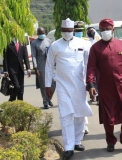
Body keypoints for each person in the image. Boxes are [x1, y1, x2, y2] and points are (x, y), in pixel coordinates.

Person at [86, 18, 122, 152]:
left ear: (113, 30)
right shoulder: (95, 48)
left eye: (108, 29)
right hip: (106, 88)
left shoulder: (121, 45)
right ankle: (110, 141)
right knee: (108, 117)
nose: (105, 32)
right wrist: (91, 84)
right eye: (103, 30)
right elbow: (91, 68)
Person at [45, 18, 93, 159]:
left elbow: (89, 65)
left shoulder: (83, 44)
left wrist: (90, 84)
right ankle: (68, 146)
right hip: (62, 85)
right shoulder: (55, 46)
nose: (67, 33)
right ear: (61, 30)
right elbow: (48, 65)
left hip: (80, 85)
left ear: (74, 30)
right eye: (65, 30)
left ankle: (77, 141)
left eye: (69, 30)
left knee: (80, 114)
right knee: (65, 115)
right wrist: (48, 85)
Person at [73, 21, 92, 135]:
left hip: (84, 77)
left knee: (82, 101)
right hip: (72, 77)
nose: (79, 33)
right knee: (73, 102)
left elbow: (90, 62)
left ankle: (84, 125)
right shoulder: (70, 43)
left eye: (81, 31)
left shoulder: (86, 43)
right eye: (77, 31)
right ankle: (76, 124)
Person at [31, 27, 55, 109]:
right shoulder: (34, 43)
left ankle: (49, 98)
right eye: (40, 33)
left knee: (53, 83)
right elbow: (33, 56)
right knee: (43, 85)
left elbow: (52, 52)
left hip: (50, 65)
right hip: (41, 67)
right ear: (38, 34)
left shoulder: (48, 41)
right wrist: (35, 67)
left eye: (43, 33)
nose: (42, 34)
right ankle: (45, 101)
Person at [86, 26, 101, 102]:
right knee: (91, 80)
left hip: (98, 64)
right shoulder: (85, 41)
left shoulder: (98, 40)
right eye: (89, 31)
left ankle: (98, 95)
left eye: (91, 31)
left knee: (98, 80)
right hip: (89, 63)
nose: (90, 32)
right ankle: (93, 95)